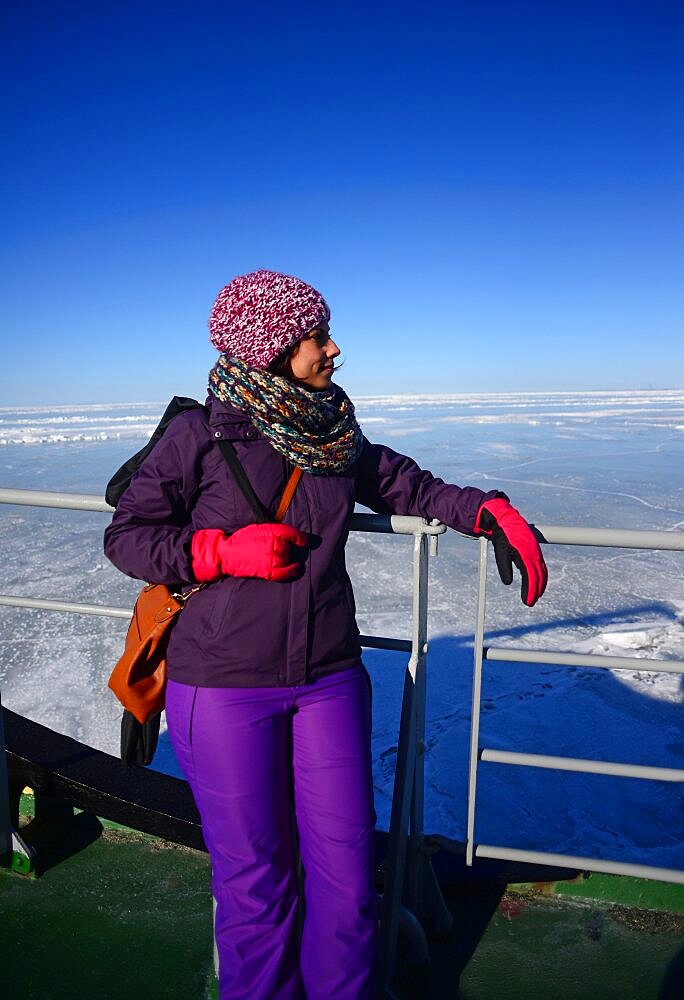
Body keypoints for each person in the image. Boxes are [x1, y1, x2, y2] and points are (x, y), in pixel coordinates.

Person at [104, 269, 548, 999]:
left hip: (330, 677)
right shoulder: (200, 436)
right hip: (221, 687)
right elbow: (128, 537)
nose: (333, 349)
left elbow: (406, 484)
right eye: (315, 336)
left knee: (346, 880)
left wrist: (487, 509)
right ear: (270, 348)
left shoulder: (332, 429)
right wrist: (218, 551)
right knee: (257, 887)